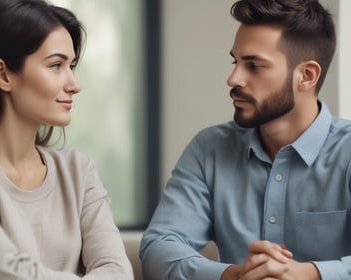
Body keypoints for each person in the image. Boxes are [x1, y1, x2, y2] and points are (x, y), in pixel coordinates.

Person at [140, 0, 351, 279]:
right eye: (235, 61)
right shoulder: (209, 148)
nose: (233, 78)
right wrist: (234, 276)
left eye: (254, 66)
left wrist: (311, 274)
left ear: (307, 76)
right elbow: (158, 248)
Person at [0, 0, 133, 279]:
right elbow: (8, 274)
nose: (74, 84)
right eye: (56, 65)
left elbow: (118, 270)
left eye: (71, 65)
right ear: (2, 74)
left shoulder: (78, 171)